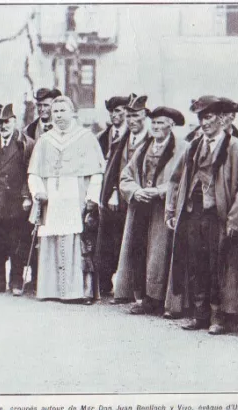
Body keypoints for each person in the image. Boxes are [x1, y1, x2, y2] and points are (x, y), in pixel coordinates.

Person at [165, 95, 238, 334]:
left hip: (218, 216)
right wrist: (173, 209)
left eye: (209, 117)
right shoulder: (194, 145)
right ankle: (199, 314)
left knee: (218, 266)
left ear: (222, 119)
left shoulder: (236, 148)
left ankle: (218, 316)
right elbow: (175, 179)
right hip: (194, 214)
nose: (204, 123)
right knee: (196, 263)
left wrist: (235, 220)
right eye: (201, 118)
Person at [27, 96, 106, 304]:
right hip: (52, 201)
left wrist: (91, 197)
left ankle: (76, 291)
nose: (59, 116)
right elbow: (33, 173)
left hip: (75, 199)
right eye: (56, 112)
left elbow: (97, 172)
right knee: (51, 242)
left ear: (72, 113)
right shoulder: (45, 140)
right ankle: (50, 289)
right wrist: (38, 192)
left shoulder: (86, 138)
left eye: (63, 111)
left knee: (77, 245)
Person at [115, 106, 186, 315]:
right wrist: (136, 191)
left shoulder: (182, 148)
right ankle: (144, 298)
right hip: (142, 208)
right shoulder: (144, 147)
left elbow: (183, 180)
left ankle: (166, 301)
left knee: (162, 253)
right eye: (153, 123)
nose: (155, 127)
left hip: (165, 209)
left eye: (161, 123)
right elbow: (125, 176)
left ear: (171, 125)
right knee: (141, 250)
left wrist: (159, 191)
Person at [0, 103, 35, 296]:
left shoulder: (25, 144)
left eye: (7, 122)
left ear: (15, 121)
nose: (3, 126)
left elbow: (31, 173)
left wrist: (27, 196)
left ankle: (17, 282)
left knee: (17, 244)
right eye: (0, 122)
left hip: (15, 203)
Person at [107, 93, 153, 304]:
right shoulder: (123, 140)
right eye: (130, 116)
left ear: (146, 116)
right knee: (123, 245)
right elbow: (117, 168)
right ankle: (125, 290)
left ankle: (142, 294)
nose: (132, 121)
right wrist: (115, 191)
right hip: (125, 199)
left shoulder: (152, 140)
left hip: (146, 201)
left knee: (142, 246)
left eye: (137, 116)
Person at [95, 95, 132, 297]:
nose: (115, 115)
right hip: (104, 196)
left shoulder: (130, 137)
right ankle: (104, 281)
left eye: (119, 111)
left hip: (121, 197)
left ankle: (125, 286)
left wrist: (117, 191)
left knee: (123, 239)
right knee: (105, 240)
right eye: (112, 111)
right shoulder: (102, 137)